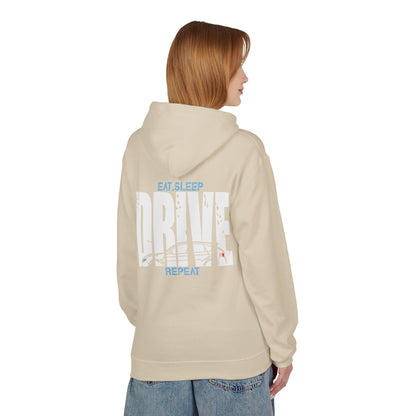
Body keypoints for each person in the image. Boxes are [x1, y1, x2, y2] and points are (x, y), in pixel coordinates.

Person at [117, 20, 298, 416]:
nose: (245, 76)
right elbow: (263, 260)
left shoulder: (138, 147)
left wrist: (156, 324)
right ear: (211, 71)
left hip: (156, 355)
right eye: (236, 66)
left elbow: (129, 256)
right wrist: (282, 345)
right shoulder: (244, 151)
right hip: (234, 358)